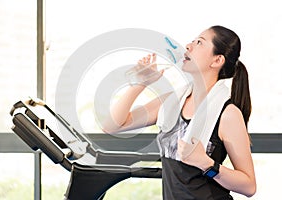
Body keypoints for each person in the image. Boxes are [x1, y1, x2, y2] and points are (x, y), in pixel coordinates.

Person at [102, 25, 256, 199]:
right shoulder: (171, 102)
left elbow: (249, 186)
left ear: (217, 60)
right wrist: (141, 83)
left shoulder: (227, 113)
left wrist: (206, 164)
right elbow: (112, 125)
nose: (189, 46)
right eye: (192, 41)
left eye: (199, 42)